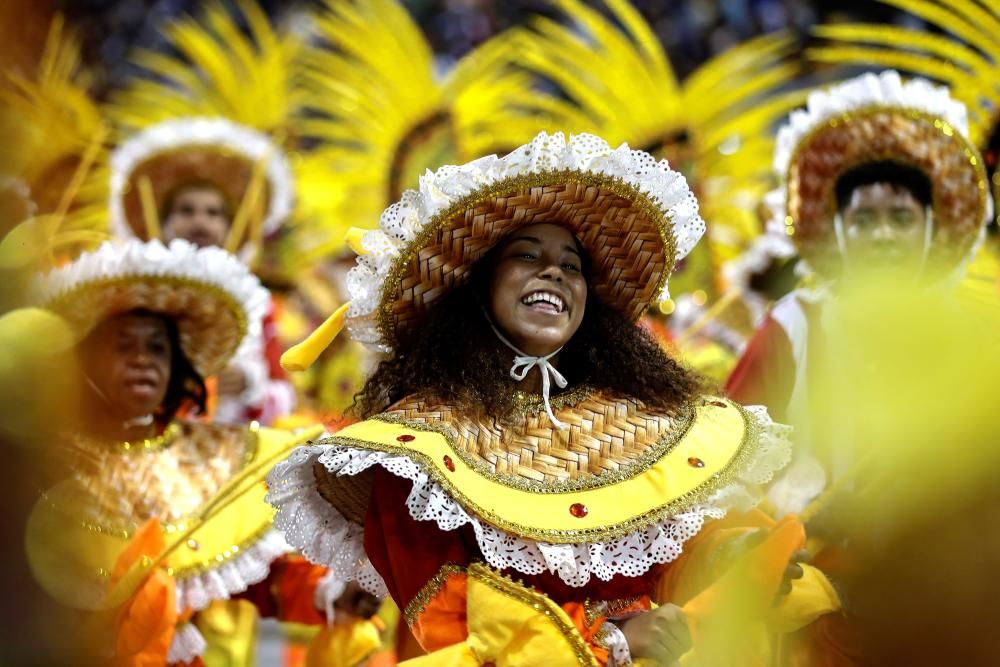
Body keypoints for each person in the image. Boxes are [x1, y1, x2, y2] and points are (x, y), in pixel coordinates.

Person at [266, 132, 841, 665]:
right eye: (526, 256)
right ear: (478, 285)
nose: (554, 274)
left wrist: (737, 556)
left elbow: (683, 551)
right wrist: (609, 639)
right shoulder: (411, 453)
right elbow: (455, 625)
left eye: (572, 265)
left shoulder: (645, 423)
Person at [25, 238, 379, 665]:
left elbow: (253, 576)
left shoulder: (213, 457)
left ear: (177, 363)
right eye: (124, 345)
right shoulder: (37, 459)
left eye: (157, 347)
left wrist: (333, 593)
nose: (142, 360)